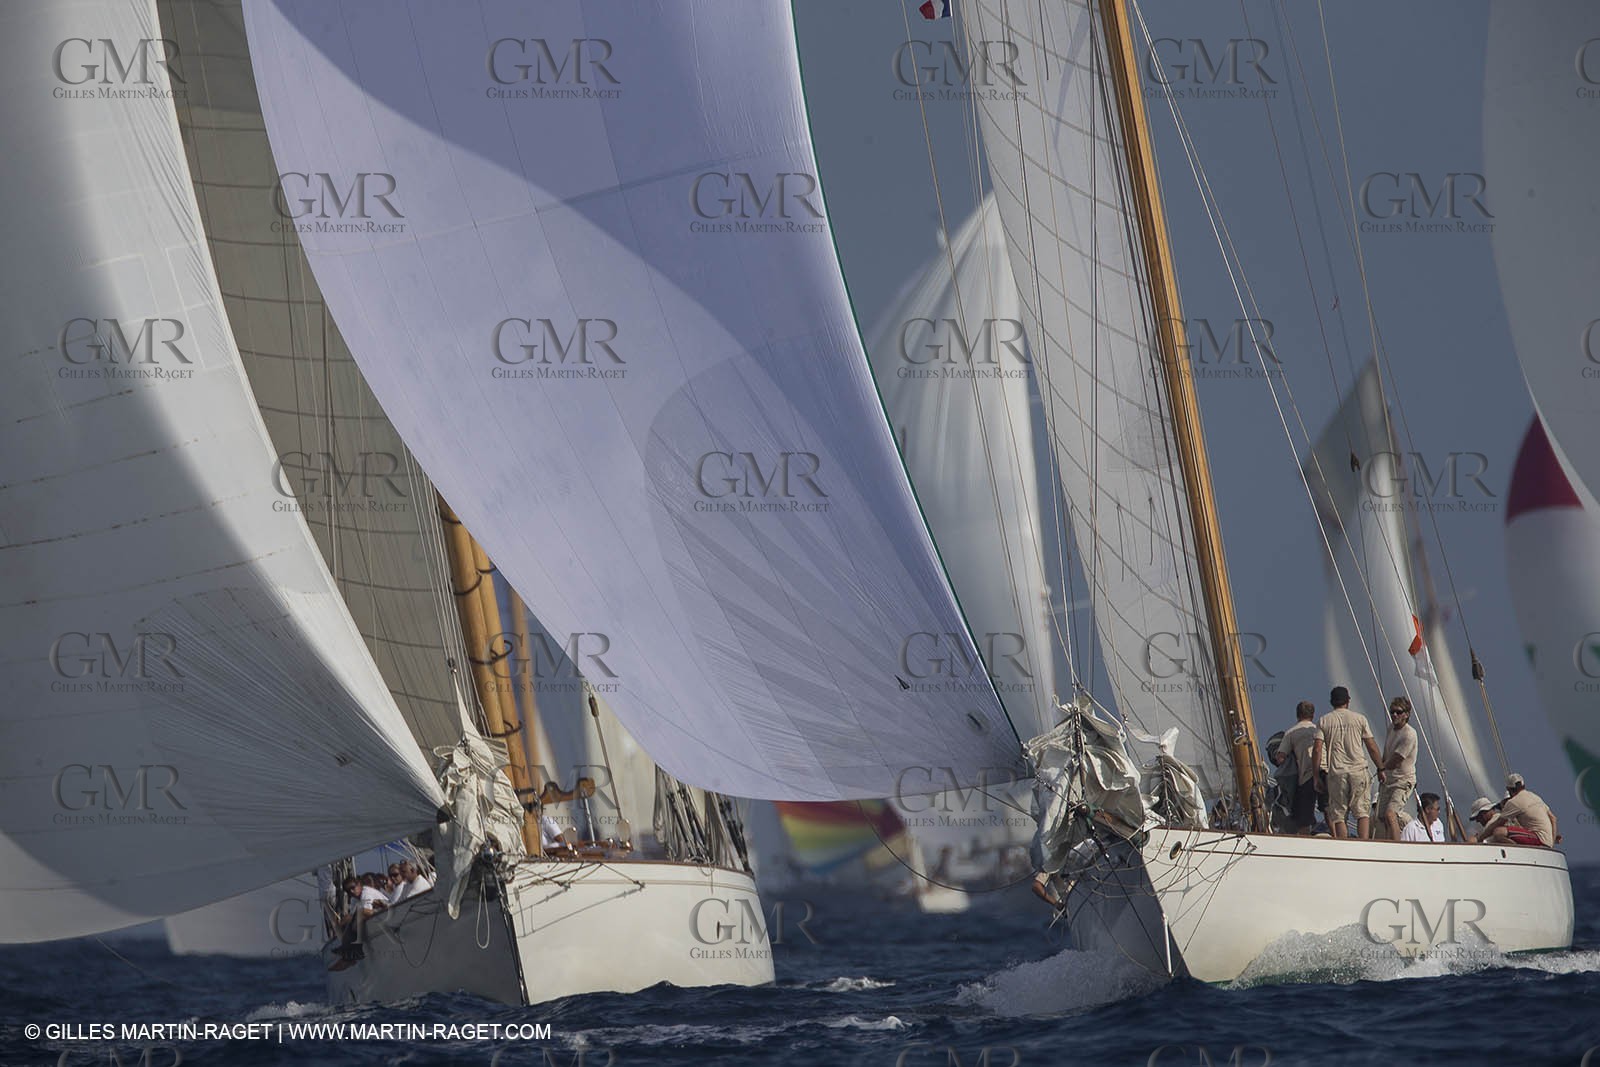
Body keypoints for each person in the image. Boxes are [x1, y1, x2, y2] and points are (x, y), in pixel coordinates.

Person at [1319, 686, 1382, 839]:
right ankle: (1363, 843)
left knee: (1339, 814)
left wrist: (1316, 776)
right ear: (1348, 701)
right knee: (1362, 812)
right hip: (1358, 771)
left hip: (1336, 773)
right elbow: (1371, 746)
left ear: (1331, 702)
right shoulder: (1359, 719)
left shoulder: (1324, 720)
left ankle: (1343, 844)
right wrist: (1381, 767)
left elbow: (1317, 750)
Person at [1272, 701, 1323, 834]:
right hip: (1325, 772)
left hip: (1306, 776)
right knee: (1330, 810)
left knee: (1304, 816)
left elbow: (1280, 757)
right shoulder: (1319, 730)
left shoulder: (1291, 732)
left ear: (1297, 714)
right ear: (1313, 715)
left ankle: (1305, 840)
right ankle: (1337, 837)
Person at [1376, 697, 1419, 840]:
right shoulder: (1391, 729)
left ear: (1406, 714)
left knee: (1390, 814)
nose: (1394, 715)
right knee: (1381, 816)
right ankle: (1387, 842)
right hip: (1389, 780)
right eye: (1392, 712)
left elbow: (1396, 760)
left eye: (1398, 712)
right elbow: (1387, 753)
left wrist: (1381, 768)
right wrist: (1381, 768)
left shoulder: (1409, 734)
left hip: (1403, 780)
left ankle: (1396, 847)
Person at [1477, 773, 1560, 847]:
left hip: (1538, 838)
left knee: (1498, 832)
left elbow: (1497, 824)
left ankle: (1520, 850)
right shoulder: (1535, 797)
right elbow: (1553, 818)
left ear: (1509, 790)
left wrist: (1479, 839)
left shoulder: (1514, 802)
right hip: (1547, 841)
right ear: (1523, 785)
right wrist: (1551, 843)